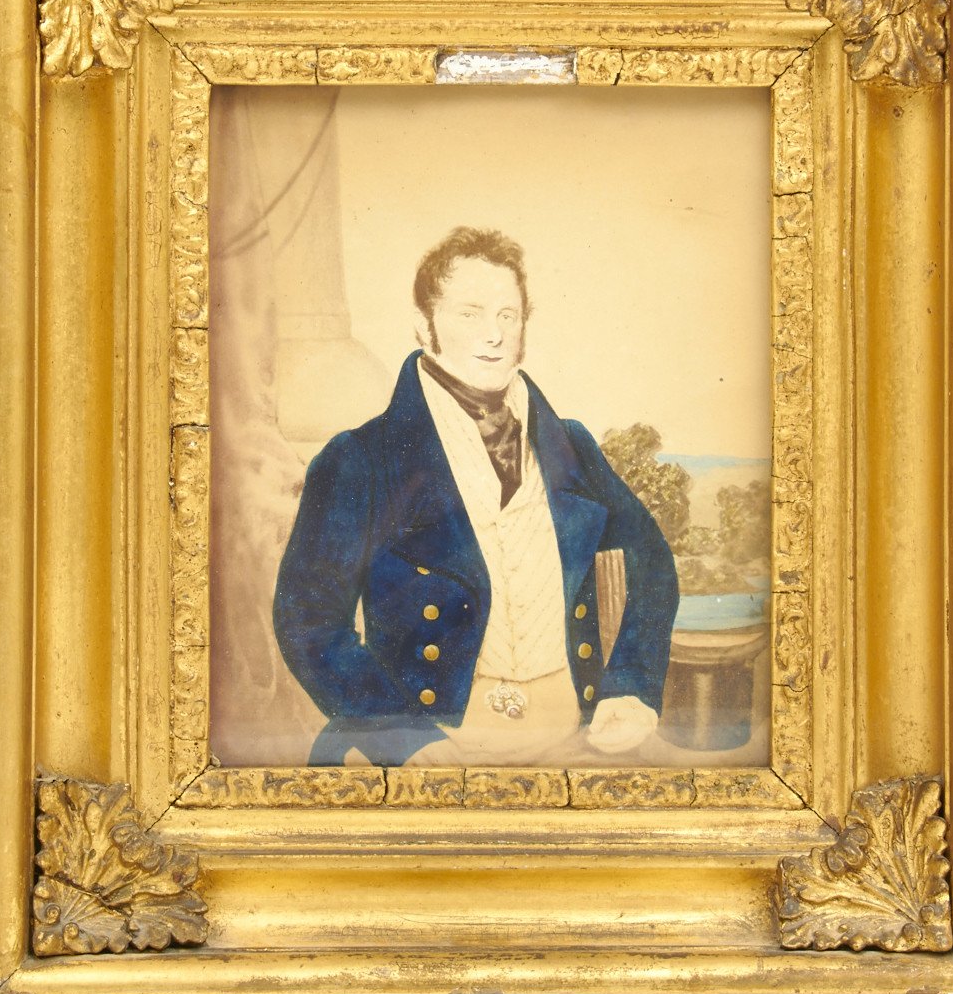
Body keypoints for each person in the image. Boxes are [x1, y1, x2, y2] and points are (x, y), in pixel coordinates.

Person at [273, 227, 678, 766]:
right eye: (469, 314)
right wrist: (400, 737)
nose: (493, 335)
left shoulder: (571, 447)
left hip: (574, 742)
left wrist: (631, 685)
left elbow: (651, 558)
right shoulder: (359, 460)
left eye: (508, 315)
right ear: (424, 325)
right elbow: (309, 622)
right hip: (436, 750)